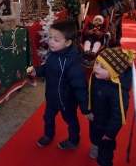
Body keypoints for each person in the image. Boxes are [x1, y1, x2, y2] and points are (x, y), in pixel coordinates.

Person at [27, 20, 92, 150]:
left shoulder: (72, 63)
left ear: (68, 43)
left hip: (66, 101)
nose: (51, 41)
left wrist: (86, 109)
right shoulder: (53, 53)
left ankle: (74, 140)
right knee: (48, 117)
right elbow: (48, 68)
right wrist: (37, 71)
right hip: (52, 97)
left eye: (56, 40)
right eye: (50, 37)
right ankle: (48, 135)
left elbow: (81, 87)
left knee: (71, 121)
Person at [86, 48, 136, 166]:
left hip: (107, 125)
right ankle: (95, 145)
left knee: (105, 150)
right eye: (97, 63)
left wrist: (110, 133)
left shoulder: (117, 92)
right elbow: (90, 93)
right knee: (94, 135)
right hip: (95, 118)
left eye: (103, 67)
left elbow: (118, 116)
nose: (97, 67)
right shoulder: (96, 77)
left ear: (114, 72)